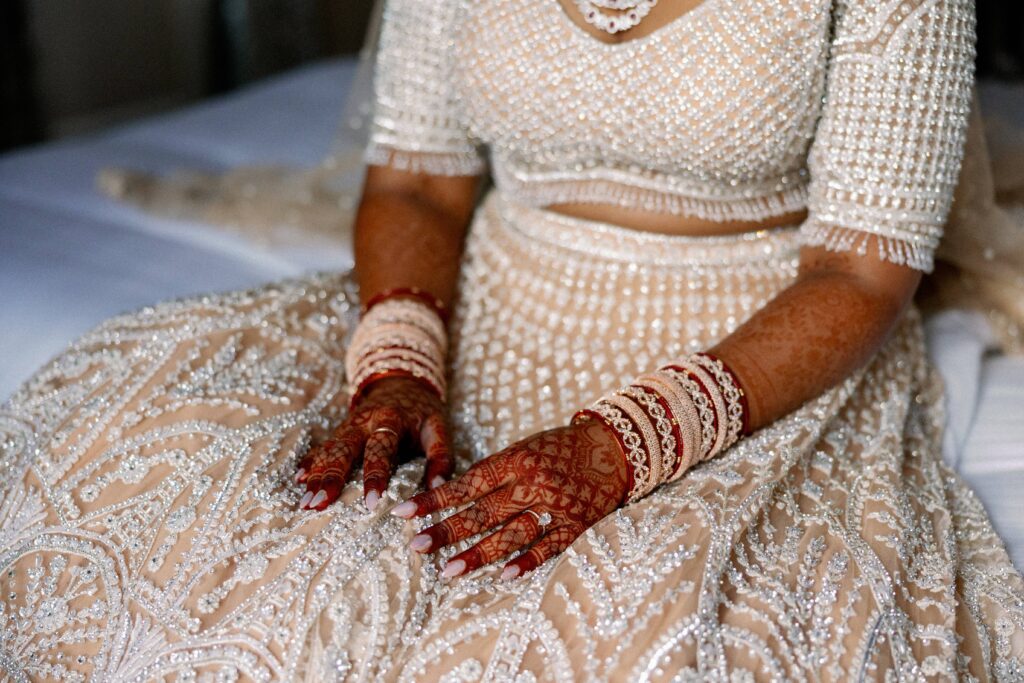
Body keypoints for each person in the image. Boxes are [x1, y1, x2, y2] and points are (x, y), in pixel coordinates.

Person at [1, 0, 1022, 680]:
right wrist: (397, 360)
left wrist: (619, 445)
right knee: (153, 496)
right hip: (484, 293)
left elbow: (862, 269)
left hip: (752, 336)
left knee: (656, 632)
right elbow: (413, 178)